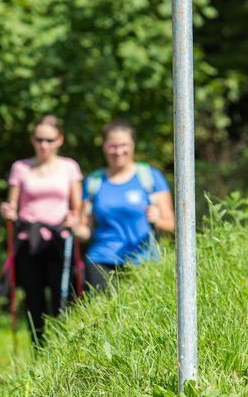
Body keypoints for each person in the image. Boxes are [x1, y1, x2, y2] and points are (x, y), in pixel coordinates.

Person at [0, 115, 82, 348]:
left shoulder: (69, 167)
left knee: (61, 300)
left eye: (49, 140)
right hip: (29, 241)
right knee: (34, 301)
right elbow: (12, 206)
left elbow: (77, 207)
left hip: (59, 240)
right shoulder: (21, 167)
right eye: (39, 140)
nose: (44, 145)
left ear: (59, 140)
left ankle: (61, 350)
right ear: (32, 140)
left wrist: (74, 218)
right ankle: (39, 352)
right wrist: (8, 212)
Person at [73, 120, 176, 291]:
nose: (119, 151)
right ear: (104, 146)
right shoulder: (94, 181)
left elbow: (171, 225)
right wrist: (75, 229)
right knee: (101, 315)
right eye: (112, 146)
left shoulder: (150, 177)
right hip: (101, 260)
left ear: (133, 145)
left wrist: (157, 220)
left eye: (124, 145)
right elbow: (85, 230)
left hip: (144, 261)